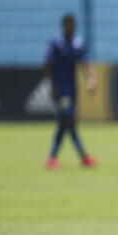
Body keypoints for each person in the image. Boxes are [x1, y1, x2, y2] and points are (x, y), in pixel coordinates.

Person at [44, 13, 97, 170]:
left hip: (73, 90)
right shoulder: (56, 44)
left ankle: (54, 158)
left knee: (66, 123)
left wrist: (91, 79)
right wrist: (53, 86)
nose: (71, 26)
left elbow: (85, 63)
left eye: (73, 24)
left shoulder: (77, 44)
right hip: (61, 90)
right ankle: (81, 157)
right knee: (68, 121)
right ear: (64, 25)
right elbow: (48, 65)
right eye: (68, 24)